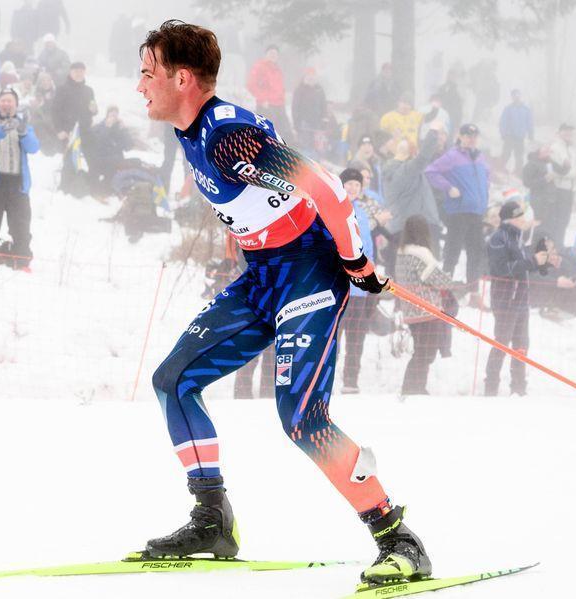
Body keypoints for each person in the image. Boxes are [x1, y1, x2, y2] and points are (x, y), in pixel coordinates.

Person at [136, 20, 430, 585]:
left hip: (310, 273)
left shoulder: (227, 135)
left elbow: (324, 186)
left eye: (148, 73)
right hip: (265, 274)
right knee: (173, 380)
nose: (140, 85)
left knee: (301, 418)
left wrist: (356, 261)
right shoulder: (190, 131)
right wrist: (242, 237)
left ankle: (399, 539)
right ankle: (211, 519)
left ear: (183, 78)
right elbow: (252, 202)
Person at [484, 200, 551, 396]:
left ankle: (519, 387)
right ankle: (491, 387)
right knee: (502, 343)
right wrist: (531, 261)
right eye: (518, 216)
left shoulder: (517, 238)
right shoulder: (498, 238)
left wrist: (542, 264)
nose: (523, 220)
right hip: (505, 300)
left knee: (522, 345)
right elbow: (502, 270)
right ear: (509, 219)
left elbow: (523, 267)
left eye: (523, 216)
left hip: (521, 300)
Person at [0, 90, 39, 265]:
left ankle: (22, 261)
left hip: (17, 184)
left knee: (21, 226)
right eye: (3, 101)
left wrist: (23, 131)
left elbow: (34, 148)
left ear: (16, 105)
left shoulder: (24, 123)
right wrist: (3, 129)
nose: (6, 104)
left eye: (10, 101)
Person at [393, 215, 456, 396]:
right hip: (426, 310)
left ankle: (415, 387)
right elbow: (438, 279)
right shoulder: (420, 254)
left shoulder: (402, 253)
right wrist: (452, 281)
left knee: (422, 350)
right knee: (425, 352)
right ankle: (414, 388)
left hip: (410, 310)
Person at [425, 123, 490, 286]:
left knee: (475, 251)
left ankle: (473, 288)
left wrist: (485, 189)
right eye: (468, 136)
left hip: (477, 211)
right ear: (460, 137)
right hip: (459, 211)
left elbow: (487, 175)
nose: (472, 139)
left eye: (474, 136)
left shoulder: (480, 157)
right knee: (453, 251)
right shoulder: (452, 155)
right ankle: (444, 285)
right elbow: (430, 171)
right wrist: (449, 187)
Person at [337, 168, 378, 394]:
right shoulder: (331, 209)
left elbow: (368, 249)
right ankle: (324, 379)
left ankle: (351, 381)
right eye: (348, 184)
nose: (352, 188)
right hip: (338, 287)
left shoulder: (361, 213)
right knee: (333, 336)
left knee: (356, 337)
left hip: (359, 290)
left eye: (356, 185)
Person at [380, 125, 445, 266]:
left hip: (401, 225)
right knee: (421, 271)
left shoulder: (390, 170)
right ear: (412, 154)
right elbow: (423, 157)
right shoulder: (406, 170)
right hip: (417, 227)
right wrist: (433, 131)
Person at [52, 61, 96, 195]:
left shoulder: (89, 90)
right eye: (75, 71)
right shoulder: (62, 89)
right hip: (68, 132)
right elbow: (55, 112)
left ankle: (90, 186)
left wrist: (94, 110)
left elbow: (93, 109)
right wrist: (59, 130)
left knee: (92, 159)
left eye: (81, 71)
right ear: (70, 73)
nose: (78, 74)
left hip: (85, 131)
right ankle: (65, 189)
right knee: (70, 161)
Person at [85, 106, 133, 197]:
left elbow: (129, 146)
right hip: (101, 159)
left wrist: (124, 130)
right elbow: (98, 143)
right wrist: (107, 128)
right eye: (111, 115)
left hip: (116, 161)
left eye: (115, 116)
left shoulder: (119, 129)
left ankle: (112, 189)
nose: (113, 118)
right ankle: (100, 190)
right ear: (107, 116)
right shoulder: (99, 127)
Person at [245, 45, 291, 136]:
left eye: (275, 54)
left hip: (279, 105)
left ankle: (283, 149)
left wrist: (283, 97)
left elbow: (280, 86)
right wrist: (262, 100)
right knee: (267, 133)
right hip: (266, 106)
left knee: (284, 132)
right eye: (271, 53)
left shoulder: (277, 69)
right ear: (266, 54)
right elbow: (251, 85)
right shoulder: (259, 66)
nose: (273, 55)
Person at [544, 123, 576, 243]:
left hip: (569, 189)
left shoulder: (571, 149)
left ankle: (559, 246)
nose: (569, 133)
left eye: (570, 131)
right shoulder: (555, 147)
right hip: (558, 189)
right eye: (566, 131)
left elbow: (572, 169)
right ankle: (554, 247)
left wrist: (575, 174)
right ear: (560, 132)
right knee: (557, 221)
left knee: (564, 221)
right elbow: (552, 170)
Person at [498, 89, 533, 174]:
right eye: (514, 95)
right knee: (506, 153)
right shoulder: (508, 109)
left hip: (520, 136)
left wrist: (531, 133)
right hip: (509, 136)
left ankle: (518, 171)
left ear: (520, 96)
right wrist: (503, 133)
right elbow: (503, 121)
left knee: (519, 155)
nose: (516, 97)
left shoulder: (526, 109)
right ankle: (500, 168)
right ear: (512, 97)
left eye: (518, 95)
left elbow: (529, 122)